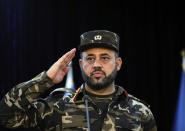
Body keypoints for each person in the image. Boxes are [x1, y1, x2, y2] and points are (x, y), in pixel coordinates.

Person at [0, 30, 157, 131]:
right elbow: (6, 116)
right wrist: (46, 79)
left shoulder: (141, 112)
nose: (96, 64)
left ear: (118, 64)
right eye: (90, 58)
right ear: (81, 64)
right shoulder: (55, 107)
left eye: (105, 58)